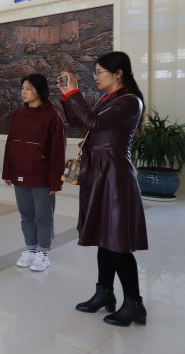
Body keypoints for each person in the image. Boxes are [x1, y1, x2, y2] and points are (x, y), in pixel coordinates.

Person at [59, 51, 148, 327]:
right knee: (103, 236)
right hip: (99, 172)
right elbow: (79, 122)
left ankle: (134, 303)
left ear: (118, 73)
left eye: (99, 72)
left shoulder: (130, 101)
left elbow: (94, 123)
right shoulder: (107, 99)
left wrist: (74, 93)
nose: (95, 77)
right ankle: (104, 293)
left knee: (117, 241)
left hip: (115, 175)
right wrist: (67, 96)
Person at [2, 73, 66, 272]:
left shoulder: (52, 115)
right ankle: (30, 248)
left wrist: (56, 181)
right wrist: (7, 171)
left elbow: (58, 151)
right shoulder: (18, 114)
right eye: (23, 88)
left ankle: (43, 252)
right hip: (20, 174)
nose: (24, 92)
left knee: (43, 216)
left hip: (41, 176)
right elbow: (11, 144)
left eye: (29, 88)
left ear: (40, 90)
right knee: (26, 215)